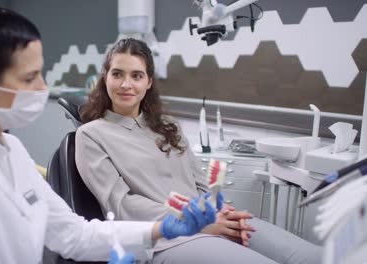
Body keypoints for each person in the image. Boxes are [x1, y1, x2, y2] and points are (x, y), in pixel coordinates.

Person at [0, 7, 219, 264]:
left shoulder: (11, 150)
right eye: (30, 77)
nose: (43, 88)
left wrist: (158, 230)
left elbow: (73, 235)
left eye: (41, 73)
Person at [75, 38, 322, 264]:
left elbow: (200, 183)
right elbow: (123, 206)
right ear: (105, 78)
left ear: (149, 82)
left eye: (136, 76)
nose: (126, 84)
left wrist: (220, 213)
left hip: (208, 221)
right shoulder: (91, 135)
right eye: (117, 74)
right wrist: (195, 222)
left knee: (315, 257)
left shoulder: (168, 126)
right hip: (164, 238)